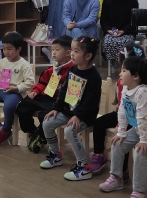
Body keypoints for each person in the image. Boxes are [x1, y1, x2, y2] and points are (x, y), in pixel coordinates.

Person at [99, 56, 147, 198]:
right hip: (140, 130)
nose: (120, 73)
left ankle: (140, 192)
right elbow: (122, 112)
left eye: (124, 70)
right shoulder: (126, 89)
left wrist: (144, 141)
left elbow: (142, 117)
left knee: (140, 152)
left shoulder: (142, 92)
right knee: (117, 143)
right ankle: (116, 178)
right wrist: (121, 132)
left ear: (136, 76)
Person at [39, 36, 102, 181]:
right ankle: (55, 155)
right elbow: (64, 91)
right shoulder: (73, 69)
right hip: (69, 111)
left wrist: (78, 116)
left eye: (76, 51)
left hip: (85, 115)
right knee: (47, 123)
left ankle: (84, 166)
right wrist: (56, 108)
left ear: (88, 56)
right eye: (72, 50)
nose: (71, 54)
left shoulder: (94, 76)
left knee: (69, 131)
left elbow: (90, 102)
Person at [89, 43, 145, 176]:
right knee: (99, 123)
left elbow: (140, 113)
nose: (121, 72)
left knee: (122, 137)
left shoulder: (142, 87)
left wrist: (120, 127)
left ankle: (123, 169)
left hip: (137, 119)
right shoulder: (122, 82)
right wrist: (120, 123)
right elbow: (121, 104)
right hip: (122, 113)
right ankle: (99, 154)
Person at [15, 35, 73, 153]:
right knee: (23, 105)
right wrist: (35, 91)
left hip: (60, 102)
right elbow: (42, 83)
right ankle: (33, 131)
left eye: (57, 49)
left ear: (68, 53)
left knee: (45, 115)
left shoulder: (73, 70)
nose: (53, 52)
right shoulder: (52, 69)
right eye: (52, 49)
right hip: (47, 96)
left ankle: (42, 136)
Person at [100, 0, 139, 66]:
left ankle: (125, 63)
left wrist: (123, 31)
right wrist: (109, 30)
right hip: (111, 31)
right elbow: (104, 19)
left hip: (127, 31)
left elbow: (135, 19)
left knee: (125, 43)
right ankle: (114, 61)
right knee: (108, 42)